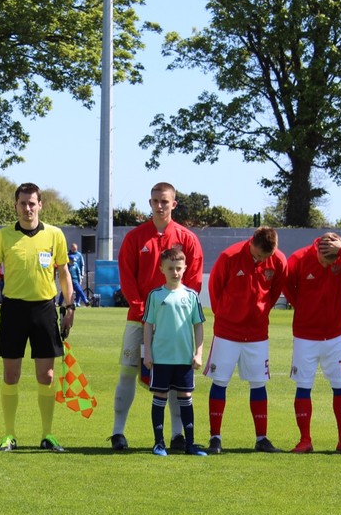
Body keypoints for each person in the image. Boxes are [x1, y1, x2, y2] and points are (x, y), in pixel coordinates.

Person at [111, 182, 203, 452]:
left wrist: (178, 309)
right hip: (138, 319)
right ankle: (118, 432)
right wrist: (142, 309)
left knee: (176, 376)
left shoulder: (187, 238)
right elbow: (127, 276)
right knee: (127, 372)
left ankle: (176, 435)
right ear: (149, 203)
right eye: (155, 201)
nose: (159, 206)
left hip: (176, 323)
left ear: (174, 203)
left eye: (165, 201)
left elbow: (194, 280)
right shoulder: (136, 237)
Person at [0, 182, 74, 452]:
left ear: (40, 205)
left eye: (32, 203)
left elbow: (64, 273)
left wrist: (69, 307)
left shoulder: (55, 235)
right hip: (13, 309)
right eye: (22, 203)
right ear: (15, 205)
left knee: (46, 375)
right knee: (11, 374)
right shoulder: (3, 236)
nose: (27, 208)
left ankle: (47, 435)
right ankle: (9, 434)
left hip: (45, 310)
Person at [283, 232, 341, 455]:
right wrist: (303, 307)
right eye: (324, 261)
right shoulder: (299, 259)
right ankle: (305, 440)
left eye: (332, 261)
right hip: (305, 335)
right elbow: (286, 286)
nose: (328, 265)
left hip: (336, 334)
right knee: (303, 386)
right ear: (318, 252)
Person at [204, 226, 287, 454]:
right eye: (259, 255)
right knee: (220, 381)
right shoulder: (229, 256)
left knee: (259, 382)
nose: (262, 260)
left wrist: (259, 314)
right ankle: (215, 438)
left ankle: (262, 438)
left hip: (258, 333)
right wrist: (227, 316)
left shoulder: (278, 261)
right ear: (251, 242)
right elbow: (215, 290)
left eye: (266, 257)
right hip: (227, 332)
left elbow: (275, 291)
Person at [142, 248, 207, 456]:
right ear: (162, 269)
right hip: (161, 358)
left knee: (185, 397)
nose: (175, 272)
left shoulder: (191, 295)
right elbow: (147, 325)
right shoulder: (155, 295)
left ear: (185, 268)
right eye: (170, 268)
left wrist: (198, 353)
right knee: (159, 397)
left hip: (184, 358)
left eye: (178, 268)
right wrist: (148, 354)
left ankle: (190, 444)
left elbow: (198, 325)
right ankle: (158, 443)